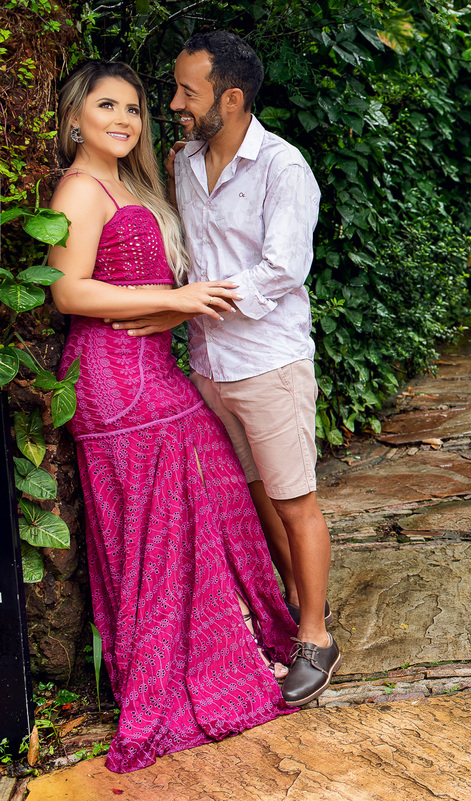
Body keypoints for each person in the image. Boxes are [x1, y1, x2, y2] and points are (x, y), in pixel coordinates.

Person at [48, 60, 297, 773]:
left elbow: (141, 288)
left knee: (210, 491)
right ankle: (166, 678)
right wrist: (180, 304)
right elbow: (69, 292)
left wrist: (173, 304)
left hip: (151, 367)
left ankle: (226, 650)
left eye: (132, 108)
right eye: (106, 106)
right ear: (76, 119)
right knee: (164, 518)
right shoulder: (80, 188)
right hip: (110, 379)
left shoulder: (134, 184)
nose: (123, 119)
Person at [112, 31, 339, 707]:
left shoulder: (282, 168)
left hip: (269, 363)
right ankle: (298, 600)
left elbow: (280, 272)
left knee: (295, 499)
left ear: (230, 98)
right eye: (177, 89)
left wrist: (185, 308)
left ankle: (317, 639)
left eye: (188, 91)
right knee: (256, 493)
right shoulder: (183, 163)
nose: (174, 103)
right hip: (209, 365)